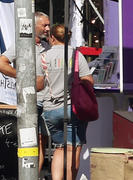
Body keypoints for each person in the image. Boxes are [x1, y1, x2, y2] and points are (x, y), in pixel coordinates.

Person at [40, 24, 93, 180]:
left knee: (59, 148)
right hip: (72, 108)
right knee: (73, 149)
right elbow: (88, 80)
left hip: (50, 109)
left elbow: (39, 83)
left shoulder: (43, 56)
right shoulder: (76, 55)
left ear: (52, 37)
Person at [0, 12, 51, 83]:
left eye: (48, 25)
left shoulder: (46, 46)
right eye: (45, 25)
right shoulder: (21, 45)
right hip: (28, 92)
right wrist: (24, 76)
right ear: (33, 25)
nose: (48, 28)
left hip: (47, 92)